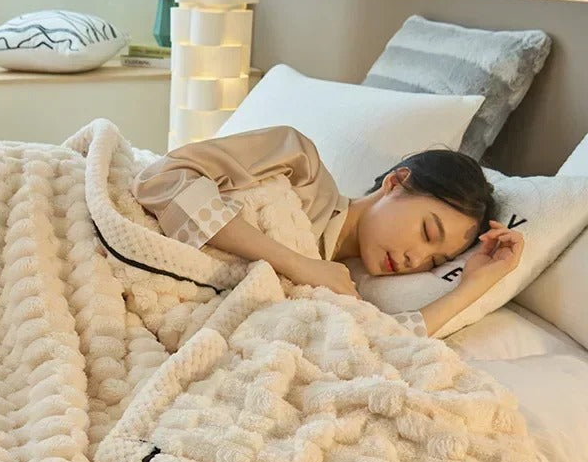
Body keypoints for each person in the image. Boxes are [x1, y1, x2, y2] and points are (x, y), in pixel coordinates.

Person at [131, 125, 524, 337]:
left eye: (434, 261)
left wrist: (471, 287)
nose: (415, 259)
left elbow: (383, 345)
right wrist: (300, 265)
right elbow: (162, 178)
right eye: (426, 231)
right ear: (397, 183)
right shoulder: (298, 162)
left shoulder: (341, 289)